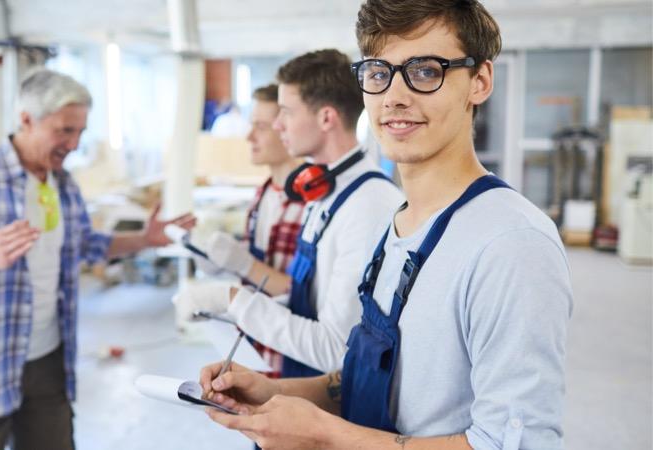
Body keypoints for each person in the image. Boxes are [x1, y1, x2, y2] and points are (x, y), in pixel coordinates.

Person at [199, 1, 573, 449]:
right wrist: (275, 391)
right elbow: (371, 377)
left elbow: (511, 444)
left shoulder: (511, 244)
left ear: (480, 81)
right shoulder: (400, 222)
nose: (394, 96)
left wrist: (324, 435)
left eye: (426, 71)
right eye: (379, 73)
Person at [0, 69, 195, 450]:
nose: (73, 144)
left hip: (48, 358)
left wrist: (145, 238)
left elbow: (86, 245)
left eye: (79, 132)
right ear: (26, 119)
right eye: (64, 131)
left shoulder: (63, 183)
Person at [175, 49, 404, 379]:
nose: (278, 124)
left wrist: (232, 299)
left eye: (285, 112)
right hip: (294, 382)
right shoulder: (322, 191)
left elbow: (335, 351)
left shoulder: (369, 205)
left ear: (326, 118)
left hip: (327, 400)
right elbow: (301, 299)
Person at [193, 84, 306, 377]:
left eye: (260, 126)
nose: (248, 136)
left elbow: (303, 294)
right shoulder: (264, 193)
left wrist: (243, 264)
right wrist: (218, 260)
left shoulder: (312, 201)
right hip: (254, 348)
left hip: (294, 360)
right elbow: (262, 267)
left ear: (286, 128)